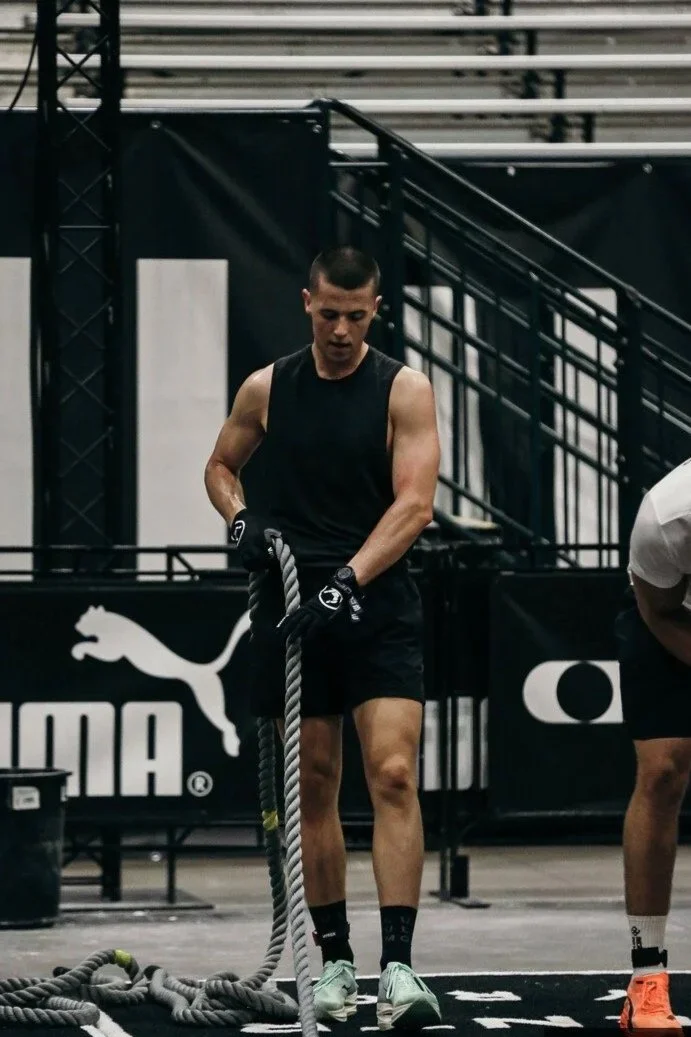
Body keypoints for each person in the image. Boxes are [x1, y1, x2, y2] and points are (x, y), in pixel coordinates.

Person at [204, 245, 443, 1031]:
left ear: (376, 310)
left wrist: (351, 576)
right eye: (327, 313)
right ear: (306, 303)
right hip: (291, 603)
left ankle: (399, 965)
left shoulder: (402, 390)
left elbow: (413, 505)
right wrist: (237, 518)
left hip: (373, 602)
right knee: (312, 777)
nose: (340, 329)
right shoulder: (267, 387)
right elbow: (220, 466)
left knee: (395, 771)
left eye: (355, 315)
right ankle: (335, 958)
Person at [615, 456, 691, 1033]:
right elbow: (656, 608)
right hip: (669, 617)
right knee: (663, 771)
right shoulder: (670, 513)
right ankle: (647, 976)